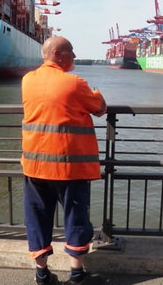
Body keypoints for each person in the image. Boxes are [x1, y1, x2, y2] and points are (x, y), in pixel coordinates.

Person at [21, 36, 107, 285]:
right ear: (59, 54)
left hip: (34, 165)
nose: (75, 57)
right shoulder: (74, 83)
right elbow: (100, 108)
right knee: (75, 217)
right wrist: (96, 92)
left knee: (37, 218)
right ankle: (77, 274)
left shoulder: (27, 80)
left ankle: (41, 274)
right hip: (70, 167)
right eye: (71, 52)